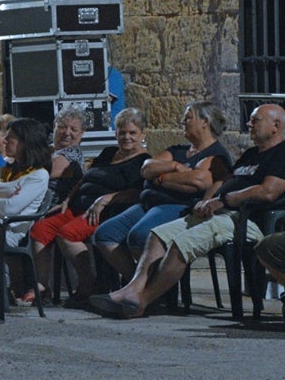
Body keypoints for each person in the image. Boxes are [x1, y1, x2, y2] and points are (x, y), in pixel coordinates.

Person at [92, 104, 285, 319]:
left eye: (255, 120)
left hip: (244, 219)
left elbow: (267, 192)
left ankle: (142, 301)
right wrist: (208, 200)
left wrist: (224, 200)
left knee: (181, 243)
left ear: (276, 126)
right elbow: (225, 180)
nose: (248, 124)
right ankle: (132, 290)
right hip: (218, 213)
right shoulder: (251, 154)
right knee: (158, 235)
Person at [94, 101, 232, 280]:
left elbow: (197, 181)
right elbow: (146, 168)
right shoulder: (178, 151)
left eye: (188, 117)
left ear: (204, 122)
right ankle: (137, 285)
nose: (183, 121)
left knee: (138, 236)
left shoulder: (215, 155)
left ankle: (148, 291)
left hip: (175, 207)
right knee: (105, 234)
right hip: (147, 204)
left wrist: (159, 178)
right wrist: (175, 167)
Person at [30, 107, 149, 306]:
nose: (126, 137)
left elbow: (137, 192)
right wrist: (69, 197)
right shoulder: (109, 153)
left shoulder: (144, 161)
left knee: (68, 234)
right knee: (40, 229)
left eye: (132, 133)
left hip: (104, 212)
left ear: (142, 134)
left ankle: (88, 284)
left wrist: (105, 200)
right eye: (122, 132)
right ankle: (43, 288)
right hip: (77, 205)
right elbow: (87, 177)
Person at [0, 118, 52, 303]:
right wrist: (3, 196)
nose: (4, 141)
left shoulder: (39, 175)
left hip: (11, 230)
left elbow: (10, 208)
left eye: (11, 138)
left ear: (26, 142)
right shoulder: (4, 170)